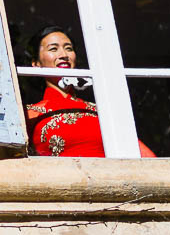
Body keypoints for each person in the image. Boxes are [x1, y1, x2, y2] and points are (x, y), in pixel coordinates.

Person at [24, 25, 155, 158]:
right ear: (36, 64)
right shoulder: (30, 114)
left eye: (68, 48)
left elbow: (147, 158)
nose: (64, 55)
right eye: (53, 49)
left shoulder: (102, 111)